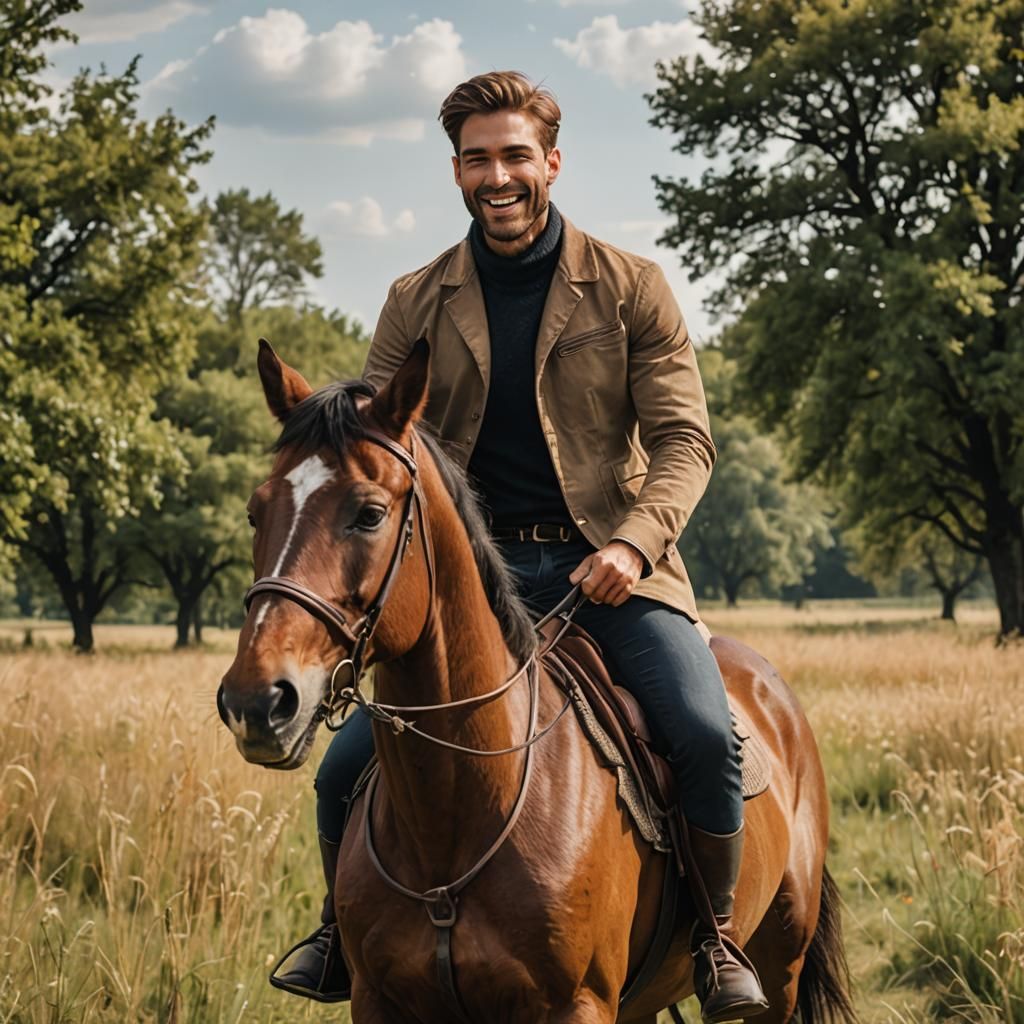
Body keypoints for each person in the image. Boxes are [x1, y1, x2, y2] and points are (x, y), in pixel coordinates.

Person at [270, 70, 768, 1022]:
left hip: (610, 574)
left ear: (551, 162)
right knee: (341, 770)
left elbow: (684, 442)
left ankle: (716, 939)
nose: (496, 176)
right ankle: (345, 936)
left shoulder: (632, 288)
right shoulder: (415, 298)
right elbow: (374, 442)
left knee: (706, 736)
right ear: (456, 169)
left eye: (514, 156)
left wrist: (632, 544)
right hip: (469, 582)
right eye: (475, 159)